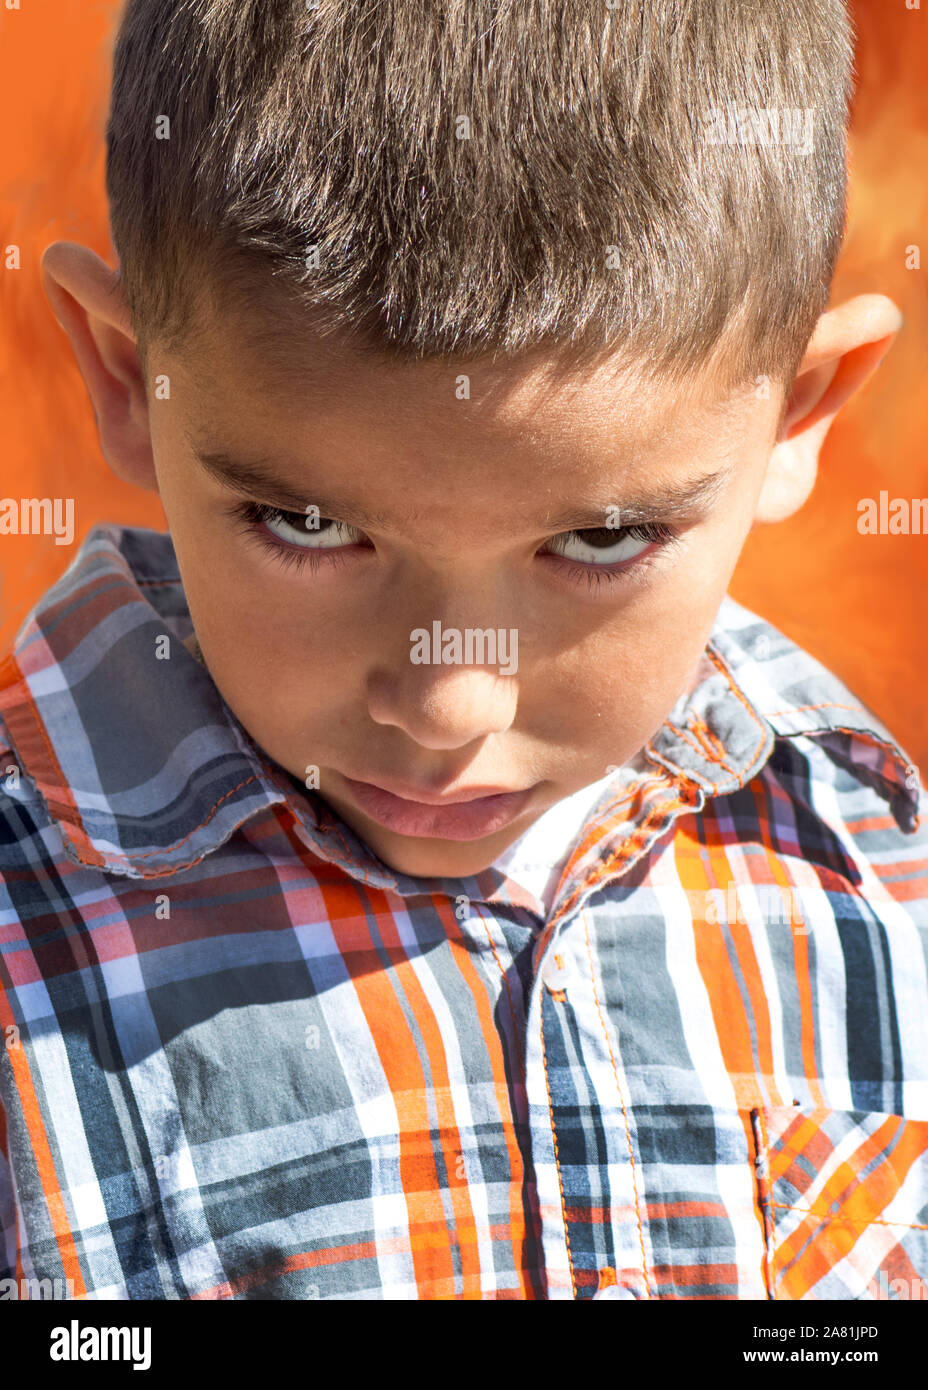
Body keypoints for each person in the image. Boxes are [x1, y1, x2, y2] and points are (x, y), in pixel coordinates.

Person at [1, 0, 926, 1301]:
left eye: (601, 539)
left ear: (798, 415)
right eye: (309, 523)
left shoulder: (872, 860)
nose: (449, 702)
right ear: (125, 379)